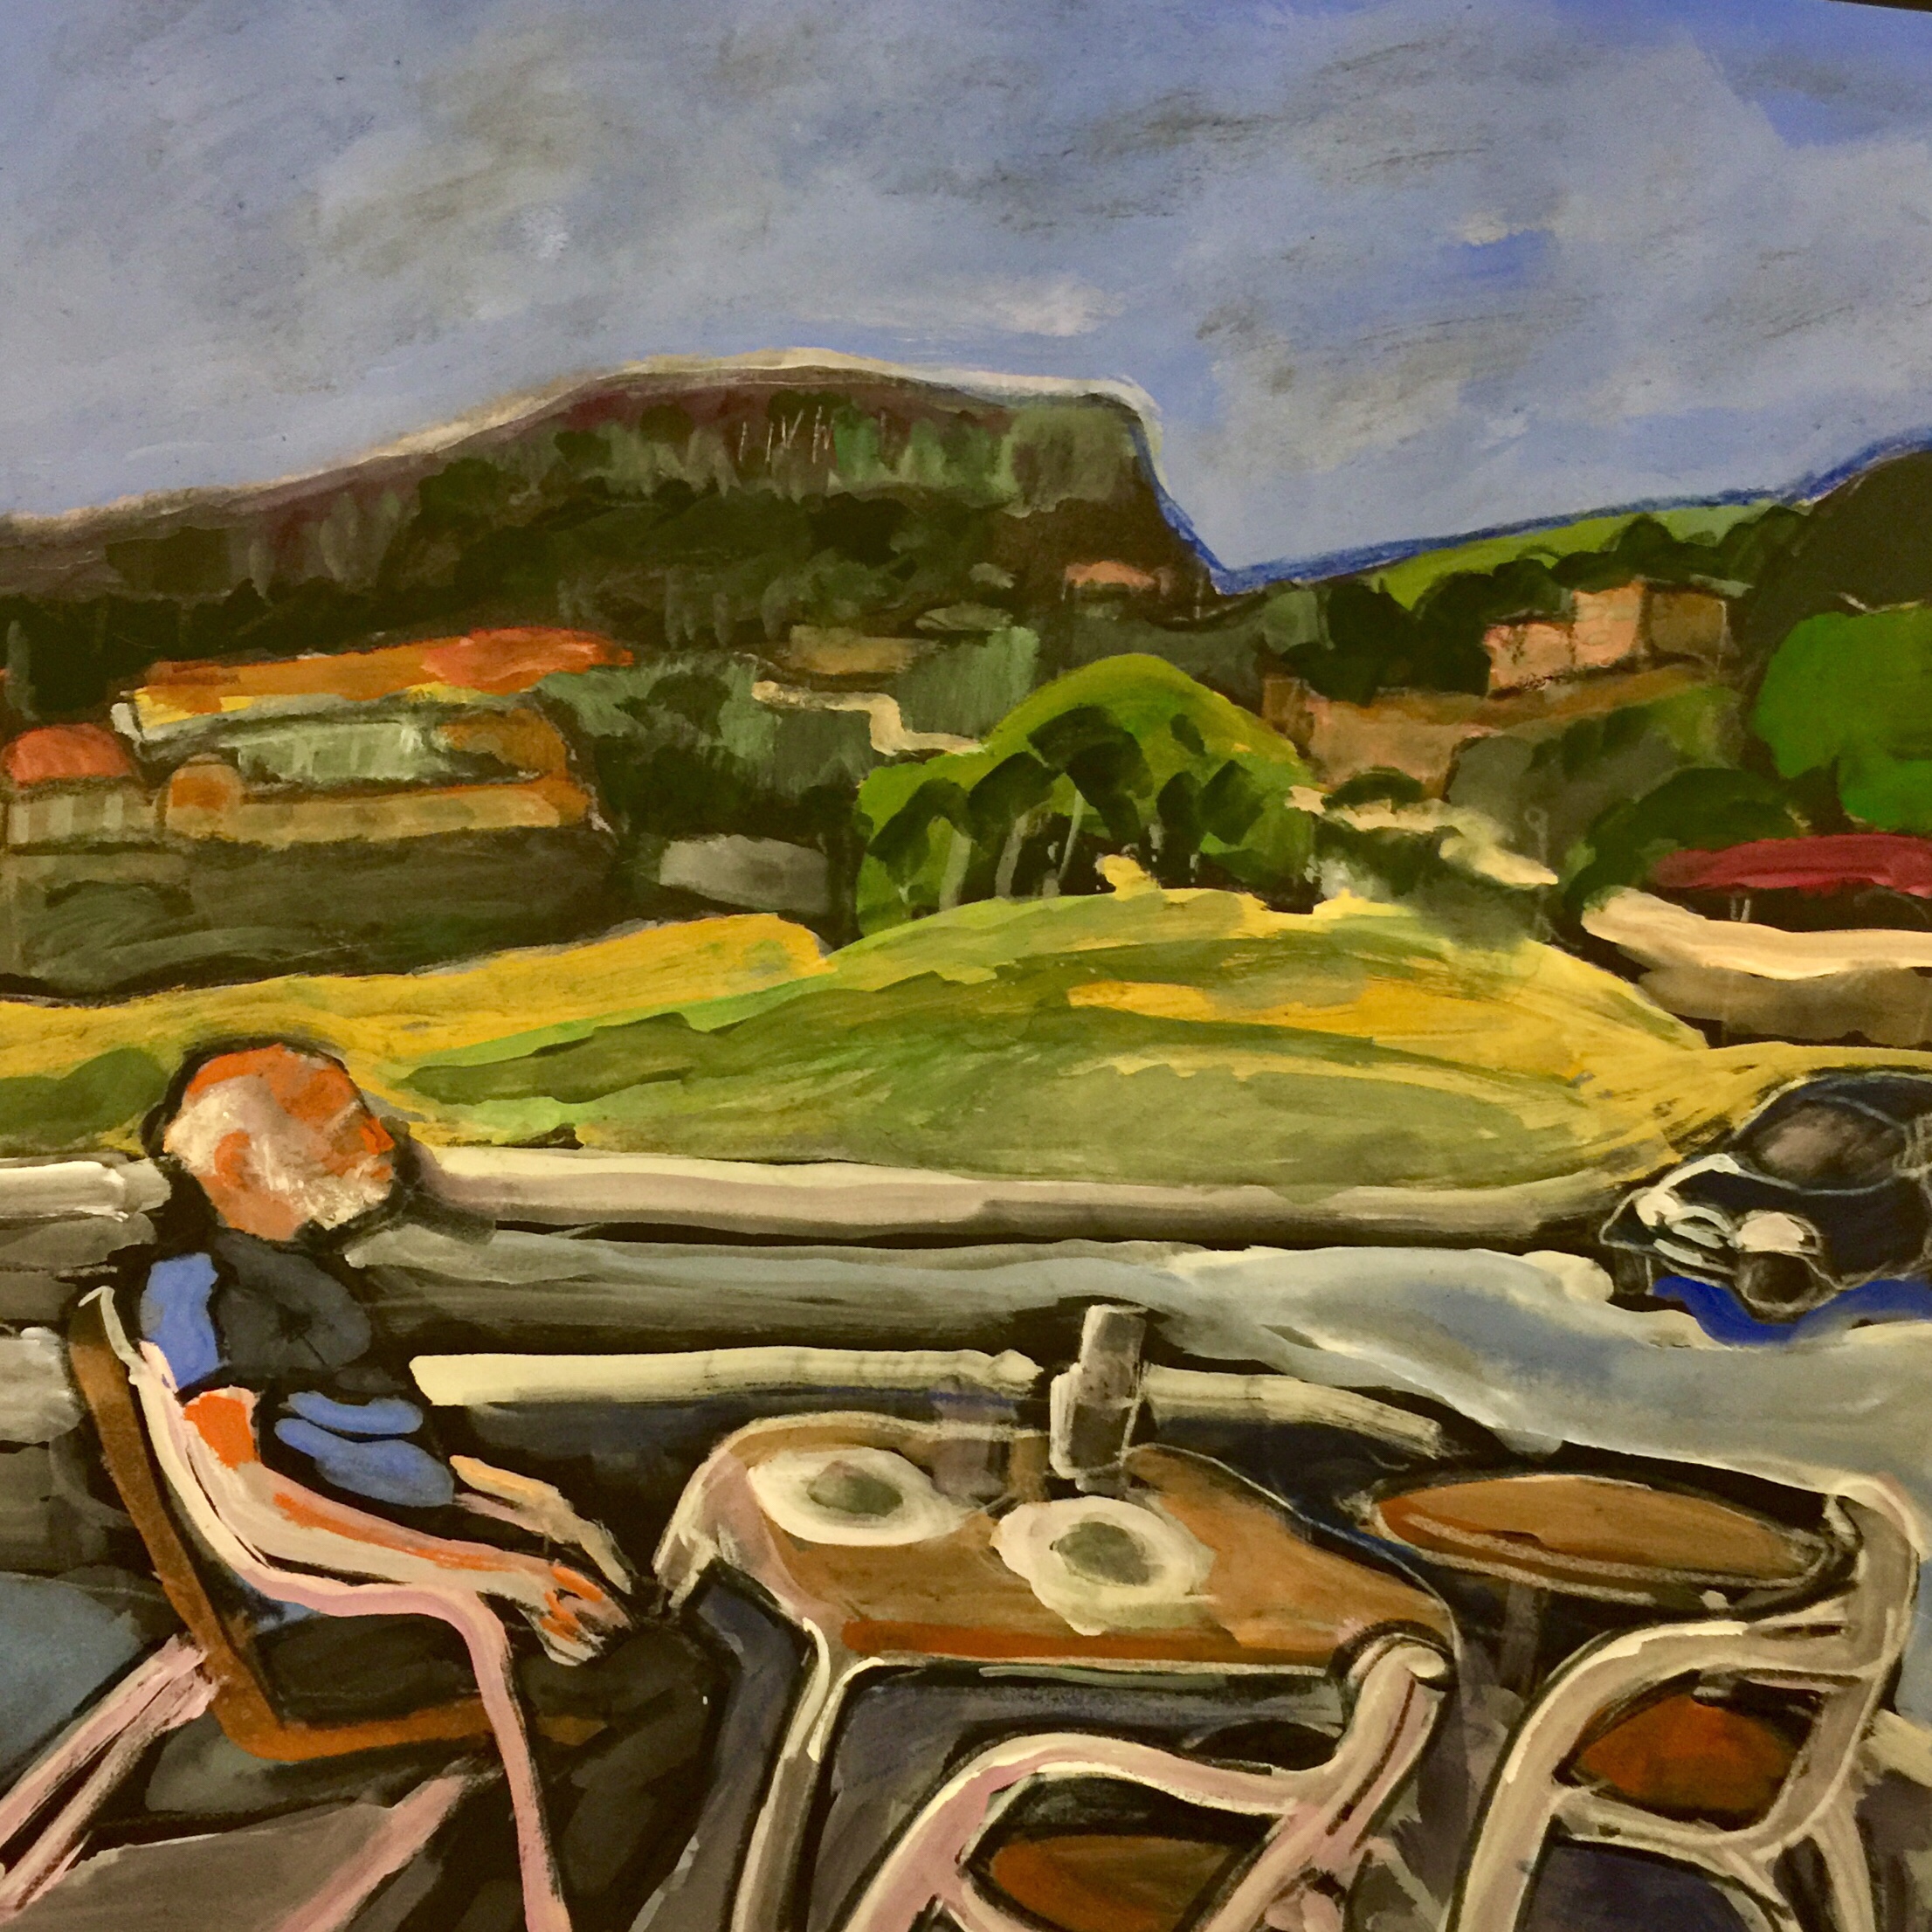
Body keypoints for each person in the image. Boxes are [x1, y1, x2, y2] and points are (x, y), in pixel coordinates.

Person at [128, 1039, 720, 1931]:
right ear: (241, 1163)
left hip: (403, 1579)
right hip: (338, 1620)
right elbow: (253, 1503)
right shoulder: (201, 1289)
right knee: (668, 1684)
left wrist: (537, 1508)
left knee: (659, 1619)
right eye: (343, 1128)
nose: (381, 1141)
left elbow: (373, 1454)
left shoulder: (293, 1270)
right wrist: (506, 1575)